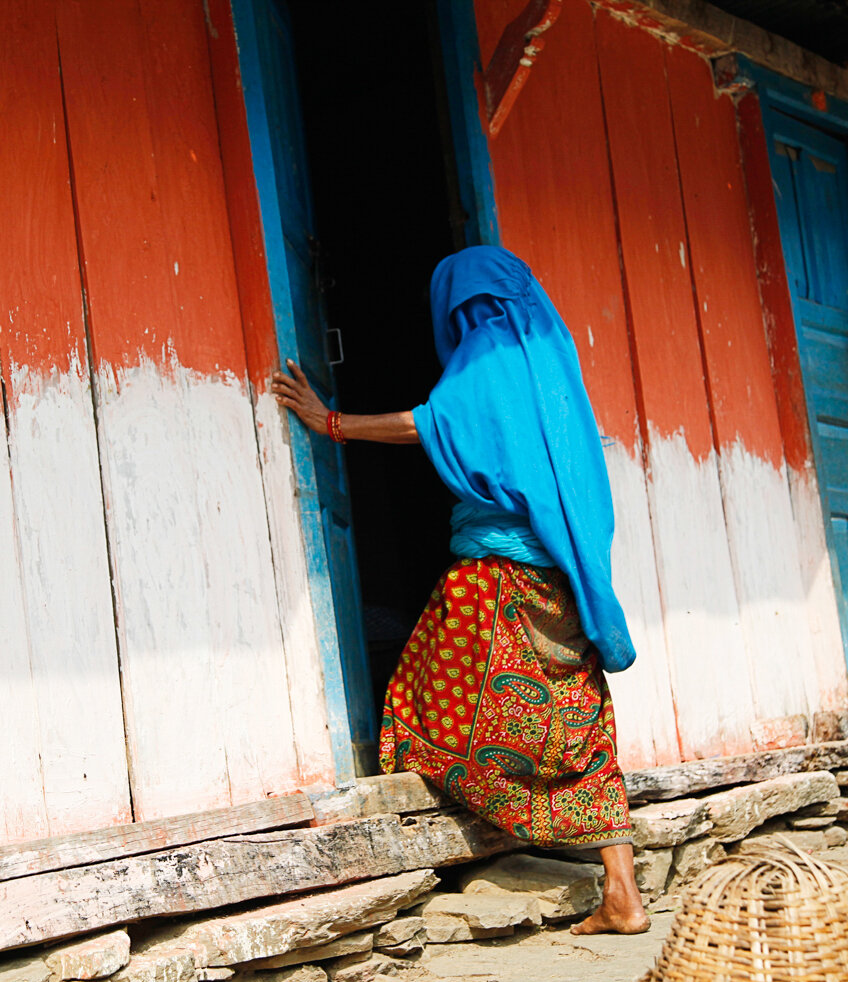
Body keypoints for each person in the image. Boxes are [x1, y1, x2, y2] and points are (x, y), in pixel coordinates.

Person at [271, 245, 648, 935]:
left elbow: (429, 423)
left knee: (417, 702)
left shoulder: (486, 358)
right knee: (582, 726)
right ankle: (621, 890)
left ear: (459, 305)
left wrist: (331, 422)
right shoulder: (551, 358)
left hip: (496, 579)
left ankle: (481, 818)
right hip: (564, 578)